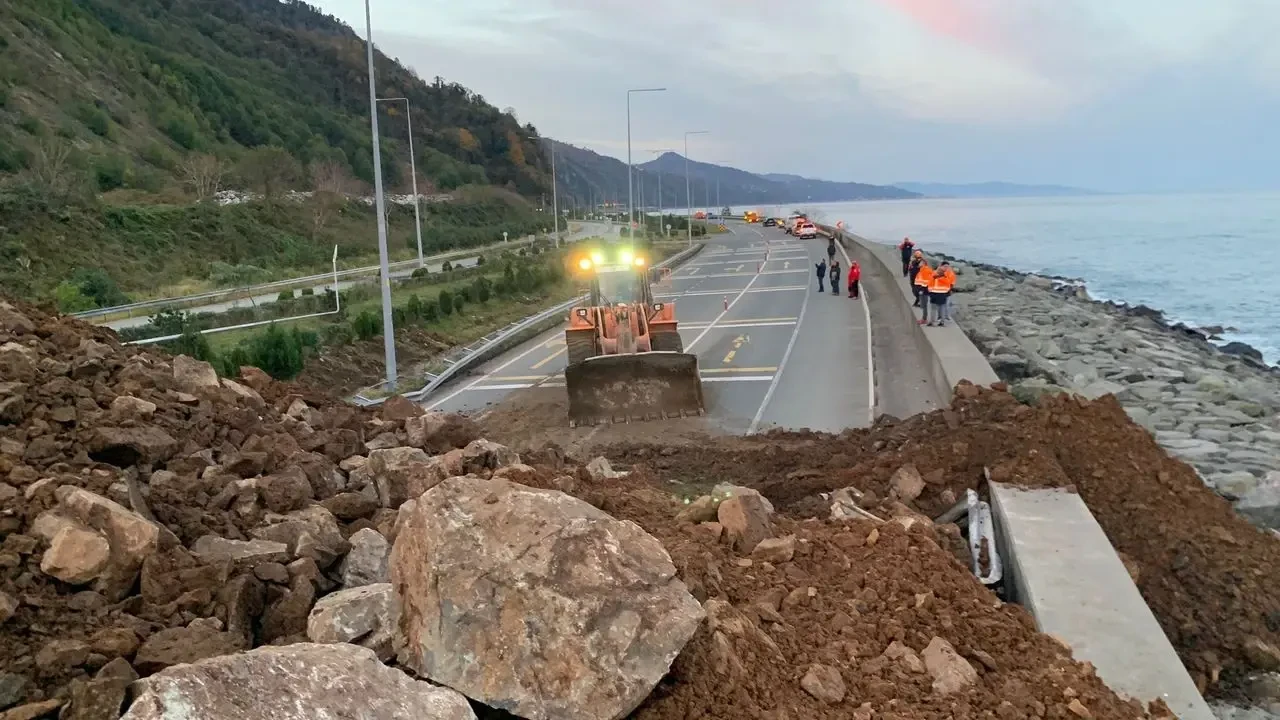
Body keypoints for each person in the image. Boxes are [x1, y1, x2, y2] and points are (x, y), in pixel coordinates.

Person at [927, 261, 957, 326]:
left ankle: (940, 321)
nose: (946, 268)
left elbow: (949, 284)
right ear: (941, 266)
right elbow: (930, 282)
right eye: (945, 266)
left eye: (947, 267)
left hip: (942, 293)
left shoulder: (947, 274)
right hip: (936, 292)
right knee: (935, 308)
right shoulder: (939, 274)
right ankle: (934, 321)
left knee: (941, 307)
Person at [914, 261, 935, 325]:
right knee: (923, 305)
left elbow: (925, 282)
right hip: (922, 290)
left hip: (923, 291)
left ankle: (924, 319)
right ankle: (924, 318)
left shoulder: (925, 270)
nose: (919, 264)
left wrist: (922, 290)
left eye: (920, 263)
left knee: (924, 305)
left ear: (924, 264)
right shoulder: (923, 270)